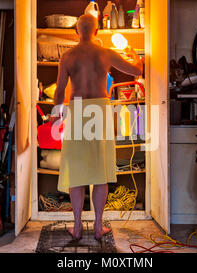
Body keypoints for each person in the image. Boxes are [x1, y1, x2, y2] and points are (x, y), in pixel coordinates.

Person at [50, 14, 143, 240]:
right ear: (97, 31)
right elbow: (136, 71)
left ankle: (78, 225)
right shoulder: (106, 52)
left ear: (76, 32)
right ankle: (99, 226)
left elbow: (60, 90)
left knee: (77, 171)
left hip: (78, 110)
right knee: (100, 170)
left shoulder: (67, 56)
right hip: (99, 111)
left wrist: (55, 114)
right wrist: (134, 56)